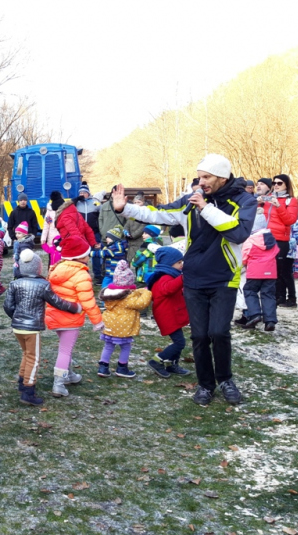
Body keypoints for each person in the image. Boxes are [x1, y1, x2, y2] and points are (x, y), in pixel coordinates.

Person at [110, 153, 257, 407]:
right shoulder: (191, 201)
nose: (201, 182)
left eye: (206, 177)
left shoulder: (243, 201)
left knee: (219, 332)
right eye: (199, 177)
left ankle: (226, 380)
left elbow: (238, 233)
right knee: (199, 336)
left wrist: (206, 208)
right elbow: (160, 213)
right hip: (193, 278)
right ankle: (205, 385)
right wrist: (125, 208)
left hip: (224, 278)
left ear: (222, 177)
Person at [4, 248, 81, 406]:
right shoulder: (43, 285)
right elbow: (57, 302)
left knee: (26, 354)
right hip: (32, 328)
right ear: (38, 267)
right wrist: (75, 307)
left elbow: (7, 306)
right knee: (34, 358)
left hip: (17, 327)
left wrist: (16, 317)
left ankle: (21, 380)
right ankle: (28, 390)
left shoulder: (14, 283)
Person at [45, 235, 104, 397]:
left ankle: (69, 375)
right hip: (71, 318)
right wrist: (97, 321)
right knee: (65, 350)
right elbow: (88, 301)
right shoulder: (81, 275)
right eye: (87, 254)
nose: (89, 257)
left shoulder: (56, 269)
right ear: (80, 256)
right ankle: (58, 384)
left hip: (55, 316)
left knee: (66, 348)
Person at [96, 261, 152, 378]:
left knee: (108, 345)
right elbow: (142, 303)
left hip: (109, 325)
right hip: (123, 327)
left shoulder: (110, 294)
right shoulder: (128, 297)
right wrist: (146, 291)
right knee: (125, 346)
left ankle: (103, 367)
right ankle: (122, 368)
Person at [146, 247, 192, 377]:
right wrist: (183, 278)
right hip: (167, 316)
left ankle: (172, 365)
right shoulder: (164, 277)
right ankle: (157, 360)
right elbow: (169, 289)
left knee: (179, 341)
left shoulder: (170, 275)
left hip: (172, 314)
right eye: (179, 263)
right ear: (169, 263)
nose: (181, 265)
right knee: (180, 343)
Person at [262, 174, 298, 307]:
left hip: (281, 239)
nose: (276, 185)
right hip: (267, 236)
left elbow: (290, 220)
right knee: (273, 269)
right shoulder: (268, 199)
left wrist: (279, 206)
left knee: (284, 269)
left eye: (279, 183)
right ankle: (279, 296)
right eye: (274, 183)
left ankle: (291, 298)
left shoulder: (291, 201)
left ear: (286, 185)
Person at [240, 228, 279, 331]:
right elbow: (277, 253)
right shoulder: (272, 241)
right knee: (268, 294)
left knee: (250, 291)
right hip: (271, 272)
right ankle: (270, 321)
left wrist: (245, 264)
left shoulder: (250, 240)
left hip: (254, 272)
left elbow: (244, 257)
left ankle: (255, 314)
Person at [75, 182, 103, 283]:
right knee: (82, 254)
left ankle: (98, 275)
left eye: (84, 192)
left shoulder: (95, 202)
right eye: (80, 192)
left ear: (88, 193)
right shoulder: (76, 203)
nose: (82, 194)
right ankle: (84, 274)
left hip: (94, 233)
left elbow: (102, 213)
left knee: (96, 254)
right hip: (81, 234)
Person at [91, 225, 128, 289]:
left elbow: (104, 253)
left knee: (105, 287)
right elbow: (109, 251)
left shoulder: (115, 248)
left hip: (112, 273)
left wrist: (90, 253)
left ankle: (104, 297)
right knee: (115, 287)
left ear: (113, 238)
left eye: (108, 237)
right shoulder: (117, 246)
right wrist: (102, 246)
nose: (106, 239)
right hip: (115, 272)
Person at [124, 192, 147, 263]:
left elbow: (143, 227)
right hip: (131, 243)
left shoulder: (146, 213)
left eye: (139, 202)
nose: (136, 204)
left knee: (138, 261)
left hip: (140, 241)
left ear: (143, 203)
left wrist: (132, 235)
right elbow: (127, 224)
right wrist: (126, 232)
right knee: (130, 261)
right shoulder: (132, 214)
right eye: (135, 202)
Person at [40, 192, 61, 268]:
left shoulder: (64, 208)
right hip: (51, 239)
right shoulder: (49, 211)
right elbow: (46, 225)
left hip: (62, 239)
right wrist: (43, 238)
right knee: (51, 259)